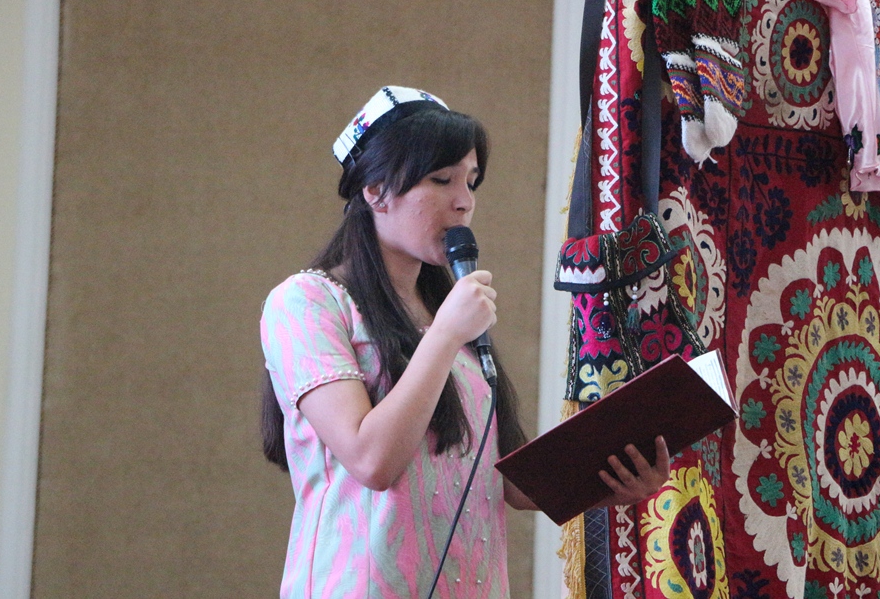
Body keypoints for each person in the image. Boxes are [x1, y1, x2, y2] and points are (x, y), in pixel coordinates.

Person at [260, 86, 671, 597]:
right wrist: (447, 334)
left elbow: (504, 479)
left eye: (471, 182)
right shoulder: (307, 302)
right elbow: (371, 460)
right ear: (376, 190)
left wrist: (610, 476)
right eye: (442, 180)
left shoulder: (445, 311)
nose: (464, 201)